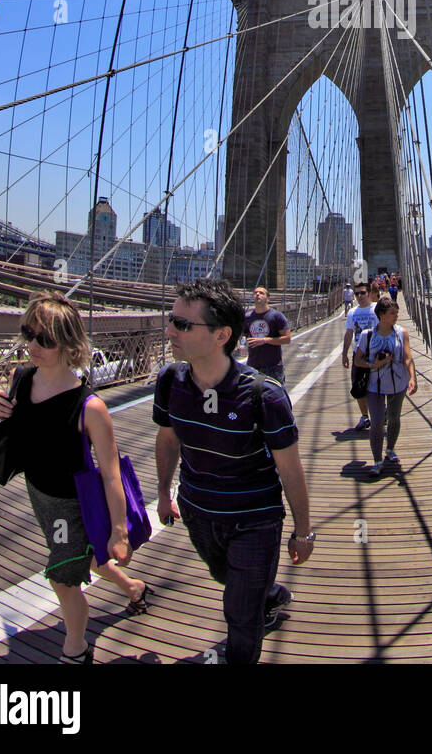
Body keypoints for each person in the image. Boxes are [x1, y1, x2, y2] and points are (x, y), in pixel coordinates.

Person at [154, 279, 314, 665]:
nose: (170, 331)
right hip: (197, 511)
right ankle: (267, 593)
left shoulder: (265, 396)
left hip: (253, 519)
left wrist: (303, 530)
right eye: (172, 320)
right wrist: (162, 493)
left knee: (240, 613)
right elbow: (168, 441)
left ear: (222, 335)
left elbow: (290, 471)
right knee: (230, 581)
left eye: (183, 325)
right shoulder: (170, 381)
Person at [0, 291, 148, 664]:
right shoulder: (21, 378)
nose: (33, 345)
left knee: (63, 575)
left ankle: (75, 649)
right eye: (29, 333)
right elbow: (18, 429)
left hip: (69, 503)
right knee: (81, 556)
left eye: (45, 339)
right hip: (38, 492)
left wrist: (119, 533)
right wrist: (0, 412)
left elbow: (110, 474)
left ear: (70, 343)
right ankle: (134, 587)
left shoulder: (90, 407)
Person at [354, 295, 417, 477]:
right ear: (381, 315)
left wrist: (413, 378)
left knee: (394, 418)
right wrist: (374, 365)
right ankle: (377, 461)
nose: (396, 316)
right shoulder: (368, 335)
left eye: (396, 313)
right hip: (375, 385)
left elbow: (407, 357)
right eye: (392, 313)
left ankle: (390, 449)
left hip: (398, 384)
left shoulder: (401, 332)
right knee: (377, 422)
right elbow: (358, 360)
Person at [342, 283, 378, 430]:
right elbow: (349, 333)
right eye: (357, 294)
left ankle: (381, 413)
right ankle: (365, 417)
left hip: (376, 352)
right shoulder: (352, 312)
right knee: (358, 386)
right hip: (359, 354)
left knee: (379, 385)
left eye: (362, 293)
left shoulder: (377, 308)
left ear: (369, 293)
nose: (359, 296)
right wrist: (344, 354)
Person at [244, 286, 291, 385]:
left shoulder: (276, 316)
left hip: (273, 366)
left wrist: (264, 340)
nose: (257, 294)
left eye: (261, 293)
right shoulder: (247, 317)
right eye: (255, 293)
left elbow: (287, 339)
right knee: (254, 397)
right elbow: (243, 336)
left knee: (276, 396)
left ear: (268, 298)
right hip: (253, 365)